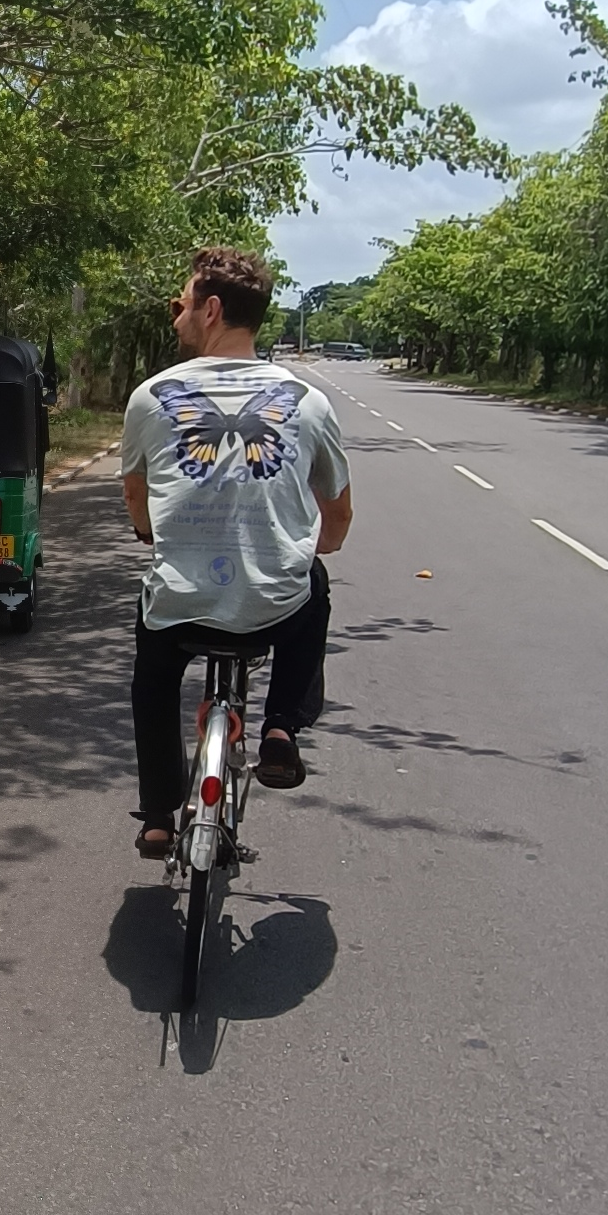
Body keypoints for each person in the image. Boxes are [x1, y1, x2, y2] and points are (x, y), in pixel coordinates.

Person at [121, 248, 352, 860]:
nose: (176, 318)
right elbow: (338, 519)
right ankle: (280, 726)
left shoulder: (152, 397)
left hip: (184, 608)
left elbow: (138, 505)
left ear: (212, 309)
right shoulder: (306, 400)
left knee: (153, 675)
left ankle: (157, 817)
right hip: (275, 607)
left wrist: (152, 533)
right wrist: (309, 548)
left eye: (183, 304)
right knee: (315, 582)